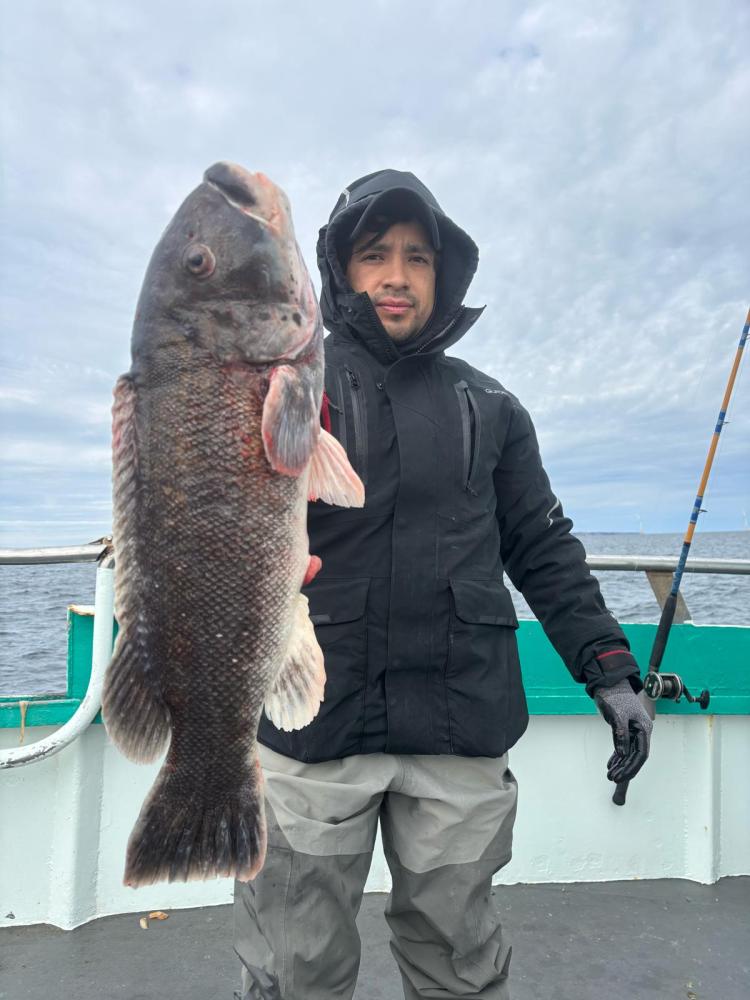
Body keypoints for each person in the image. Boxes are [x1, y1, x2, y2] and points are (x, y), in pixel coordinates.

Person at [234, 170, 653, 1000]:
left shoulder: (492, 405)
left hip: (458, 722)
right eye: (374, 254)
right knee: (294, 963)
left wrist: (608, 667)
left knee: (459, 960)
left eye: (417, 258)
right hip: (312, 717)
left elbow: (542, 545)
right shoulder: (280, 385)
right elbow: (216, 523)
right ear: (339, 269)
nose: (396, 275)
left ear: (443, 273)